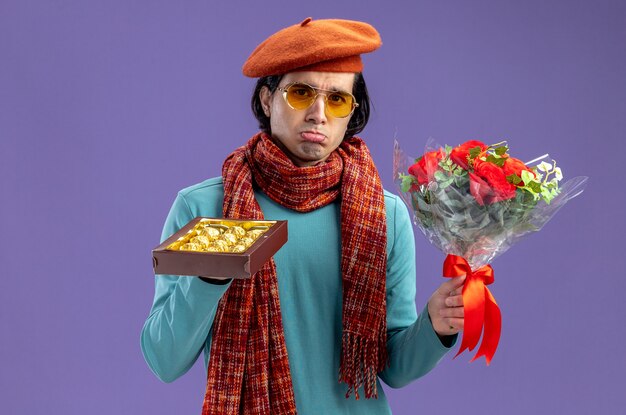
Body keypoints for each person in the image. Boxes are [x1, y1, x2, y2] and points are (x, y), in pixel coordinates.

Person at [141, 17, 465, 415]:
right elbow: (164, 359)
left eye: (337, 99)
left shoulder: (384, 214)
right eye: (300, 92)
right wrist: (210, 275)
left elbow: (391, 367)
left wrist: (435, 324)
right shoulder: (205, 208)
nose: (318, 113)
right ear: (266, 99)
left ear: (352, 112)